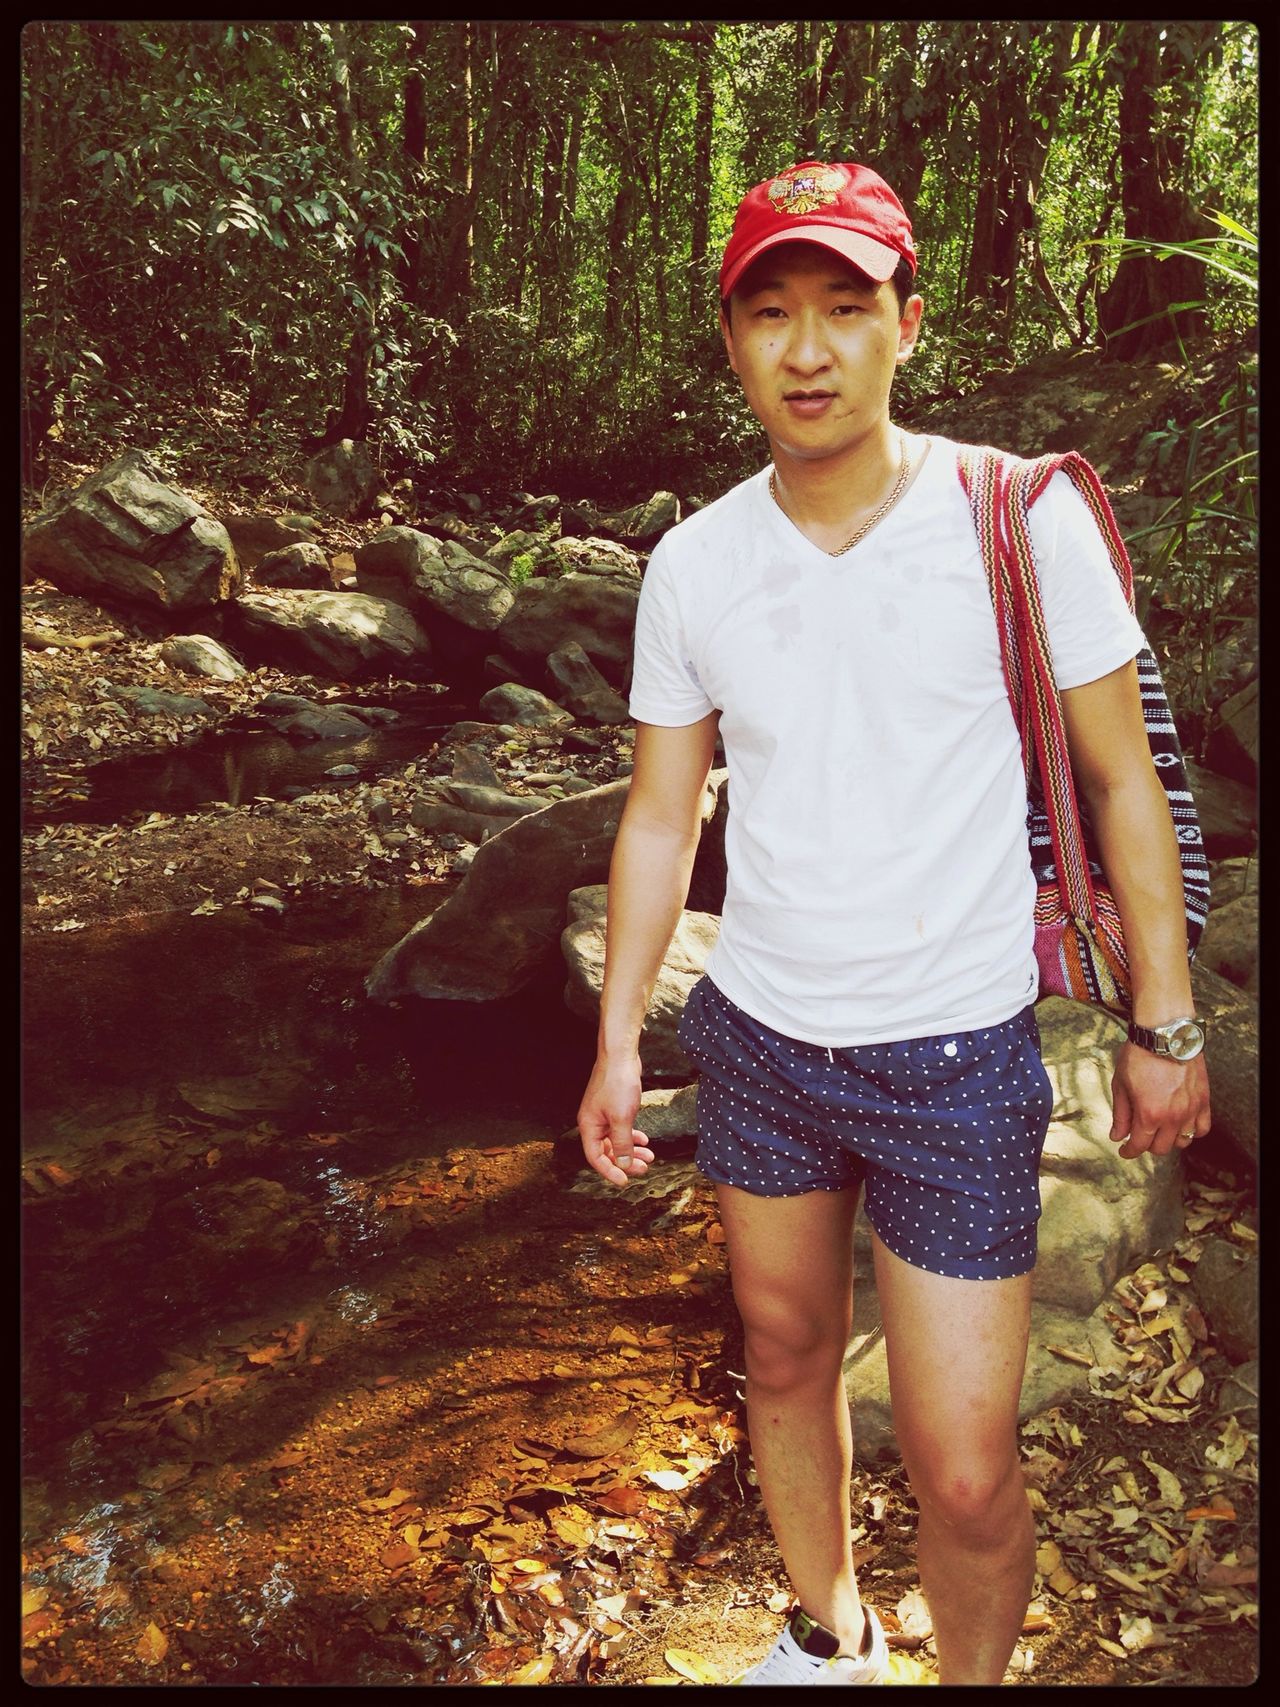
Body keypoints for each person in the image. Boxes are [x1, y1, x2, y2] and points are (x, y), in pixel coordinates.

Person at [576, 160, 1211, 1687]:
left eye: (845, 309)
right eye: (772, 313)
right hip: (765, 1041)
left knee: (970, 1466)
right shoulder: (697, 563)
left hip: (960, 1062)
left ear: (905, 326)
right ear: (732, 341)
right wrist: (618, 1039)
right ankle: (828, 1635)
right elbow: (665, 814)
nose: (808, 350)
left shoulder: (1017, 520)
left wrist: (1166, 1026)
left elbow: (1126, 783)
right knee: (785, 1358)